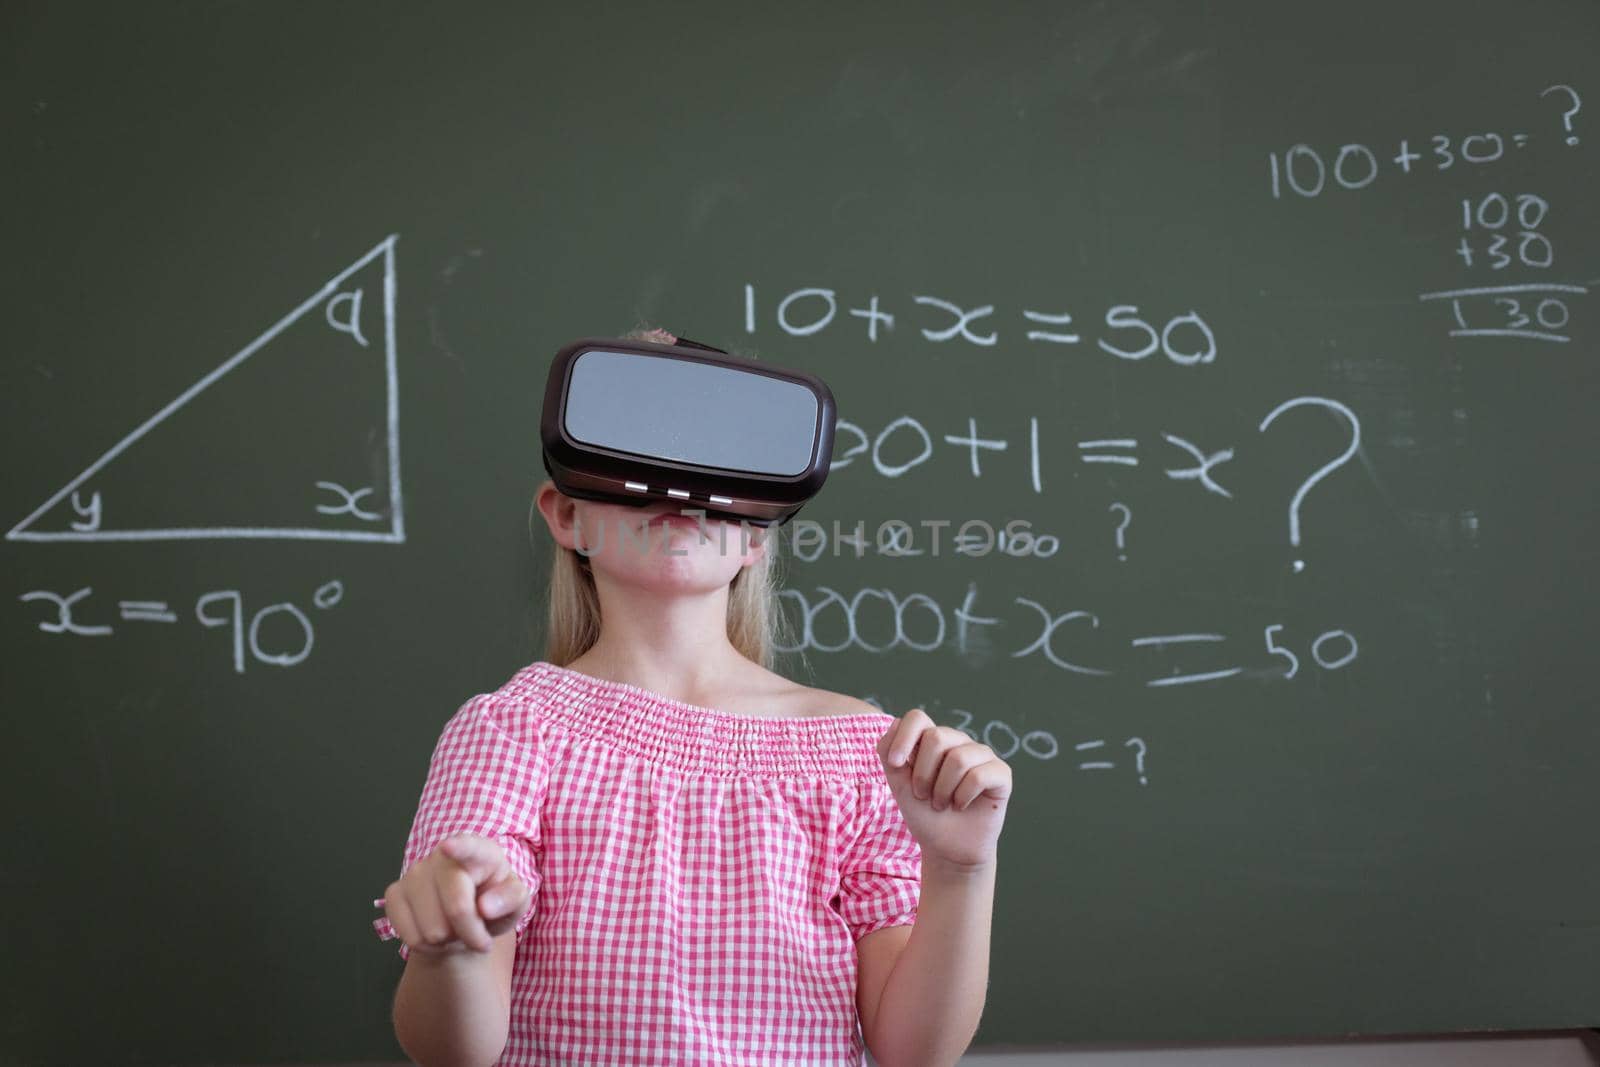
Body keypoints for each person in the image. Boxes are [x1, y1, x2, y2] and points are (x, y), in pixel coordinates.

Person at [371, 327, 1013, 1066]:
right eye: (636, 437)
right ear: (566, 514)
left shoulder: (861, 752)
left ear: (757, 538)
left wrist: (961, 869)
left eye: (717, 452)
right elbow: (454, 1053)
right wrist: (452, 944)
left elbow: (913, 1052)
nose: (679, 477)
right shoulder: (515, 730)